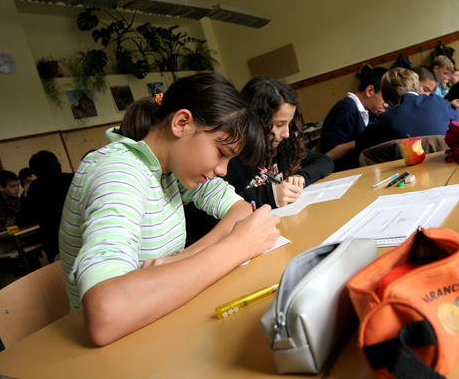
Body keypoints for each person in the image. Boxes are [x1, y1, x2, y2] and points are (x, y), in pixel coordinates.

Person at [59, 73, 280, 346]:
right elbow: (106, 314)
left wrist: (188, 256)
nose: (222, 170)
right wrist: (238, 246)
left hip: (160, 323)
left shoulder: (168, 169)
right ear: (182, 123)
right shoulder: (119, 173)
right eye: (221, 152)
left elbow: (241, 208)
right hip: (121, 345)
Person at [184, 76, 334, 242]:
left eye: (289, 124)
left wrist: (301, 177)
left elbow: (325, 161)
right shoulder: (228, 158)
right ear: (257, 120)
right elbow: (197, 216)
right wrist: (268, 195)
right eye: (279, 125)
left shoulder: (284, 146)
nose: (286, 133)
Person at [355, 68, 459, 154]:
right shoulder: (439, 102)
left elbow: (360, 143)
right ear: (418, 88)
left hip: (410, 171)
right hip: (447, 165)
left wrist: (383, 118)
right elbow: (457, 123)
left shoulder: (386, 119)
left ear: (389, 101)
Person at [320, 64, 388, 172]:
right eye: (384, 98)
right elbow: (329, 153)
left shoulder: (368, 112)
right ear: (370, 90)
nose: (386, 104)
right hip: (342, 174)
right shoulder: (347, 107)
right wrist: (367, 139)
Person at [21, 151, 74, 262]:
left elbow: (27, 217)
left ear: (36, 171)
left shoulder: (36, 187)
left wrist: (25, 197)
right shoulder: (73, 178)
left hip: (57, 244)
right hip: (83, 236)